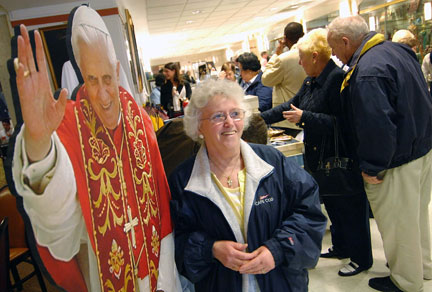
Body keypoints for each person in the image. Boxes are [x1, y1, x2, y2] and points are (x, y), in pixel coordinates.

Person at [11, 6, 179, 292]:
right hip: (101, 273)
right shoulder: (68, 125)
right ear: (81, 76)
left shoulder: (139, 119)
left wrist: (164, 275)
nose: (102, 96)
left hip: (155, 266)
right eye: (91, 80)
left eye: (107, 79)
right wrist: (39, 143)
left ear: (116, 70)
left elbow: (160, 197)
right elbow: (59, 223)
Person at [169, 79, 327, 291]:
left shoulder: (272, 162)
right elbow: (174, 243)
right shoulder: (182, 181)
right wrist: (211, 249)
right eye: (218, 116)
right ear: (198, 126)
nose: (229, 123)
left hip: (280, 283)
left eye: (235, 113)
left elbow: (309, 213)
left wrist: (277, 250)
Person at [327, 15, 432, 292]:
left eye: (334, 48)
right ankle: (424, 268)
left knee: (399, 225)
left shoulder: (368, 70)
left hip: (396, 160)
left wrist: (372, 166)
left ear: (346, 41)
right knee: (417, 218)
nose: (335, 55)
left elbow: (376, 124)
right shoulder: (397, 50)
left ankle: (406, 282)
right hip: (421, 149)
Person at [261, 28, 372, 277]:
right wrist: (259, 120)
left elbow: (342, 124)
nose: (299, 63)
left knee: (350, 209)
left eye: (301, 58)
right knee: (333, 205)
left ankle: (361, 258)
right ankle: (342, 246)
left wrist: (305, 117)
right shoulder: (311, 80)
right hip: (321, 158)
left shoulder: (335, 79)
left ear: (314, 56)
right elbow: (289, 106)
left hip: (339, 157)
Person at [262, 22, 307, 108]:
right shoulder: (312, 53)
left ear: (285, 38)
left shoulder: (283, 59)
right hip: (308, 106)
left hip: (289, 109)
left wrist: (276, 54)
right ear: (303, 35)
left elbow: (266, 79)